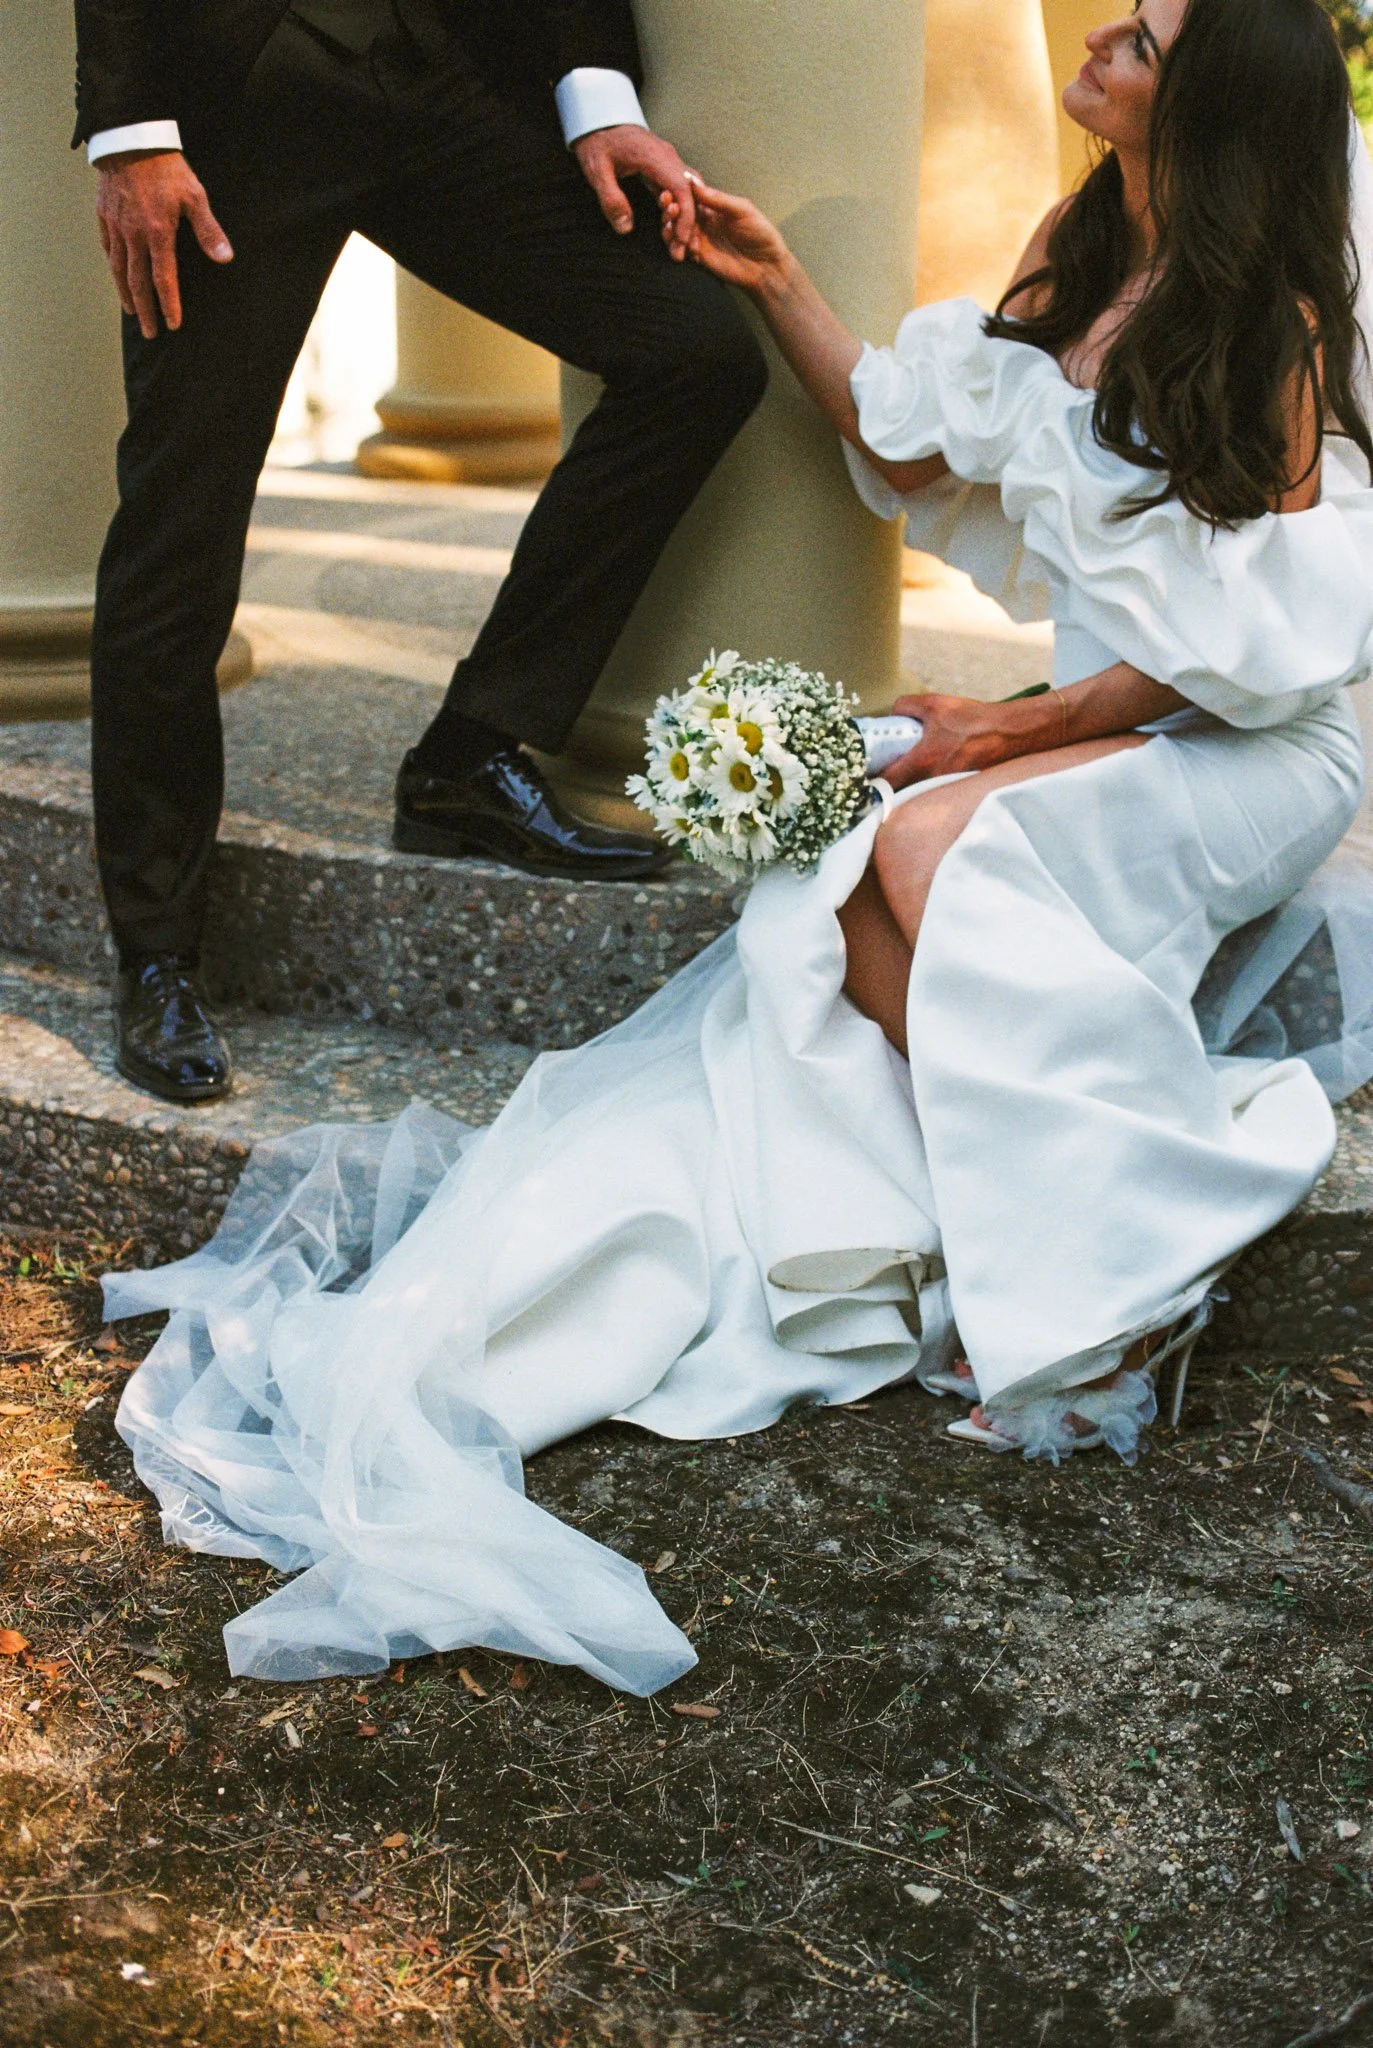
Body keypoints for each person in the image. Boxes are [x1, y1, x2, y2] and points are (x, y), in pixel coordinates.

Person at [105, 0, 1373, 1698]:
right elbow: (900, 432)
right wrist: (772, 277)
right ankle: (1057, 1211)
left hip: (1248, 734)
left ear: (1202, 112)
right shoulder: (1079, 261)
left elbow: (1258, 634)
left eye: (1137, 44)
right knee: (840, 876)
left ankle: (1121, 1272)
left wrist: (1005, 726)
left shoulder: (1268, 320)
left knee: (926, 855)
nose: (1103, 44)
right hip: (1118, 711)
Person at [74, 0, 768, 1106]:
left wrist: (597, 98)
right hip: (239, 92)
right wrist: (133, 128)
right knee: (181, 517)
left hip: (450, 69)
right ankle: (156, 949)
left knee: (690, 354)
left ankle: (468, 754)